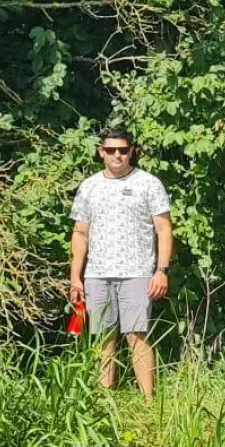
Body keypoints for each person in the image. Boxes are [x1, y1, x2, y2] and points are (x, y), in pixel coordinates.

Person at [68, 129, 173, 399]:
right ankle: (105, 402)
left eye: (123, 150)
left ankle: (149, 402)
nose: (118, 155)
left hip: (136, 273)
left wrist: (161, 270)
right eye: (112, 150)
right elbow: (80, 233)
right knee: (104, 338)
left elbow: (163, 229)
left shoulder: (148, 183)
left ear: (132, 151)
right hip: (97, 274)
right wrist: (75, 276)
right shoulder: (89, 186)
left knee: (136, 335)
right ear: (101, 151)